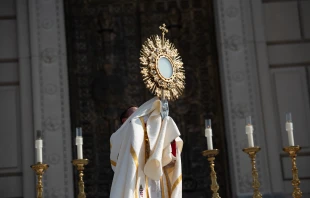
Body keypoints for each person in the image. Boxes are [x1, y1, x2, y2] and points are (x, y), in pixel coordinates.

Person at [110, 97, 183, 198]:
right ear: (125, 120)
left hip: (155, 179)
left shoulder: (151, 132)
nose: (141, 117)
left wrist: (165, 128)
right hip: (135, 177)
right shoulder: (118, 135)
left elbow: (169, 151)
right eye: (136, 115)